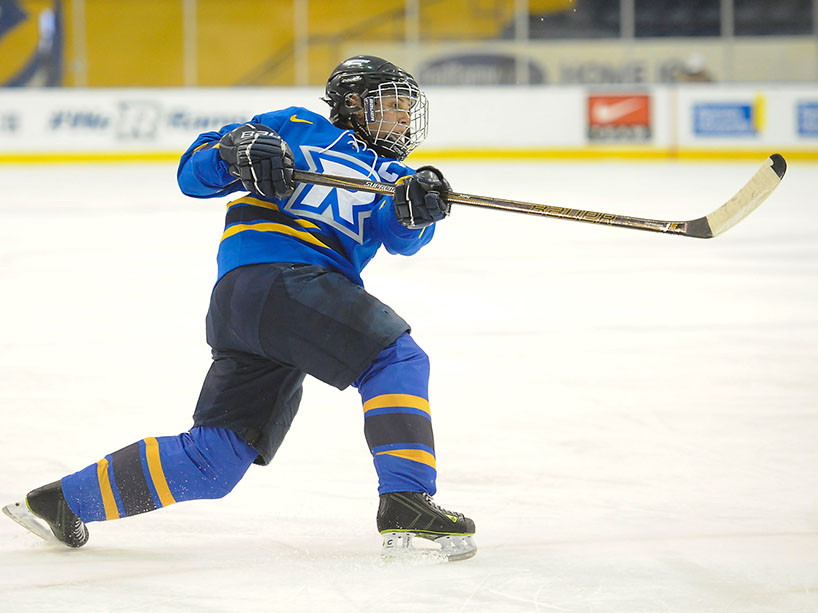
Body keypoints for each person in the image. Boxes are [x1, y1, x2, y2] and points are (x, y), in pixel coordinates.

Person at [2, 55, 476, 561]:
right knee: (394, 359)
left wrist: (416, 206)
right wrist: (237, 148)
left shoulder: (395, 176)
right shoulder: (296, 125)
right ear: (354, 103)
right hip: (285, 283)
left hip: (256, 307)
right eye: (394, 106)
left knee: (214, 458)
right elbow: (193, 171)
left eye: (409, 109)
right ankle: (407, 503)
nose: (404, 118)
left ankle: (60, 502)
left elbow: (402, 237)